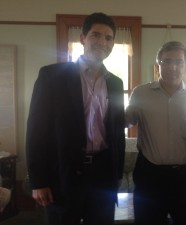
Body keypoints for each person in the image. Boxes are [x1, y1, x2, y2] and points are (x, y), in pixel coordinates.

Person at [26, 12, 125, 225]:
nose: (102, 42)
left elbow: (117, 133)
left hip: (103, 176)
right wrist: (38, 181)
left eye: (109, 38)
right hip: (63, 174)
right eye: (96, 35)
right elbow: (36, 131)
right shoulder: (52, 76)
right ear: (82, 38)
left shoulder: (115, 83)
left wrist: (117, 174)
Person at [126, 41, 186, 225]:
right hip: (150, 175)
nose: (173, 67)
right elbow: (125, 120)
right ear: (158, 65)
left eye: (179, 62)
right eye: (166, 61)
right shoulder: (141, 93)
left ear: (185, 67)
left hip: (185, 176)